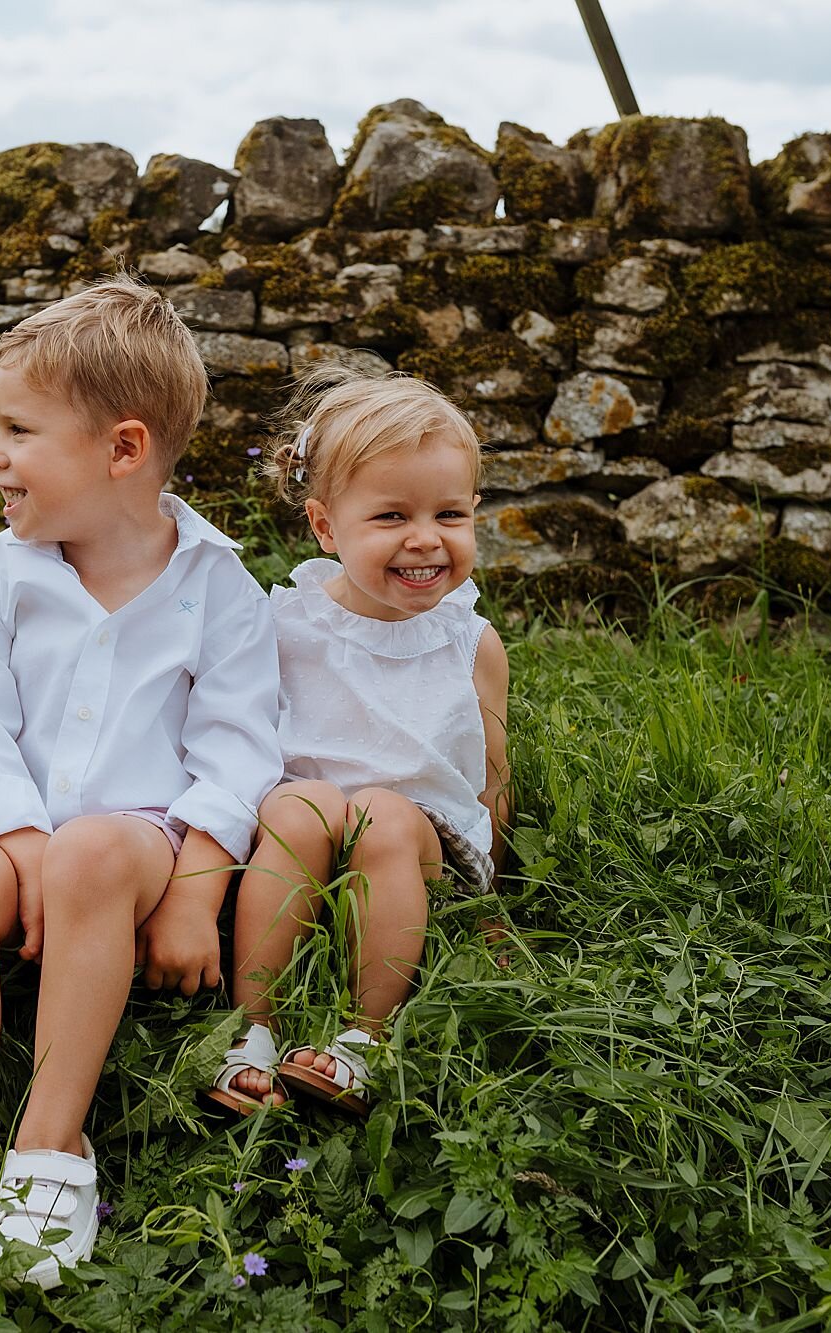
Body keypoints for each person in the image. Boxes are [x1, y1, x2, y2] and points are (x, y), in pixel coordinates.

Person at [0, 276, 283, 1287]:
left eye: (17, 430)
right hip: (25, 833)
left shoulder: (217, 583)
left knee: (94, 848)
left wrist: (195, 888)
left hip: (141, 841)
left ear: (122, 451)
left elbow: (235, 747)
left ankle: (50, 1150)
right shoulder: (2, 573)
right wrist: (15, 838)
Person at [205, 364, 511, 1119]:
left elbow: (492, 777)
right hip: (298, 834)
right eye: (390, 517)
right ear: (324, 526)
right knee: (303, 800)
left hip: (420, 842)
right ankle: (253, 1029)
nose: (424, 540)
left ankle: (362, 1038)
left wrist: (495, 899)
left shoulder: (470, 642)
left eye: (450, 515)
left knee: (382, 809)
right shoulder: (284, 628)